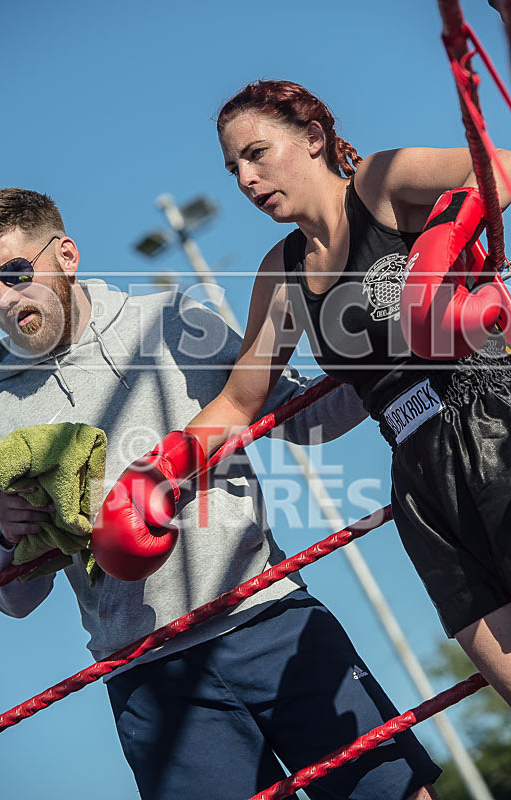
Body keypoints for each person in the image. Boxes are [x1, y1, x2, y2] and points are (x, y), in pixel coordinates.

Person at [0, 189, 440, 799]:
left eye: (14, 272)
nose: (4, 300)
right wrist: (10, 539)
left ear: (66, 255)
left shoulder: (172, 319)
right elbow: (11, 598)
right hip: (147, 675)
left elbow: (301, 415)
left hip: (268, 616)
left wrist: (415, 340)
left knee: (398, 793)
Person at [105, 79, 511, 708]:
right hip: (419, 474)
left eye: (257, 154)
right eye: (234, 168)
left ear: (314, 138)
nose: (246, 179)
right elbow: (240, 402)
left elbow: (498, 168)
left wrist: (437, 246)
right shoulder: (282, 272)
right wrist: (157, 471)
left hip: (493, 412)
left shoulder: (379, 184)